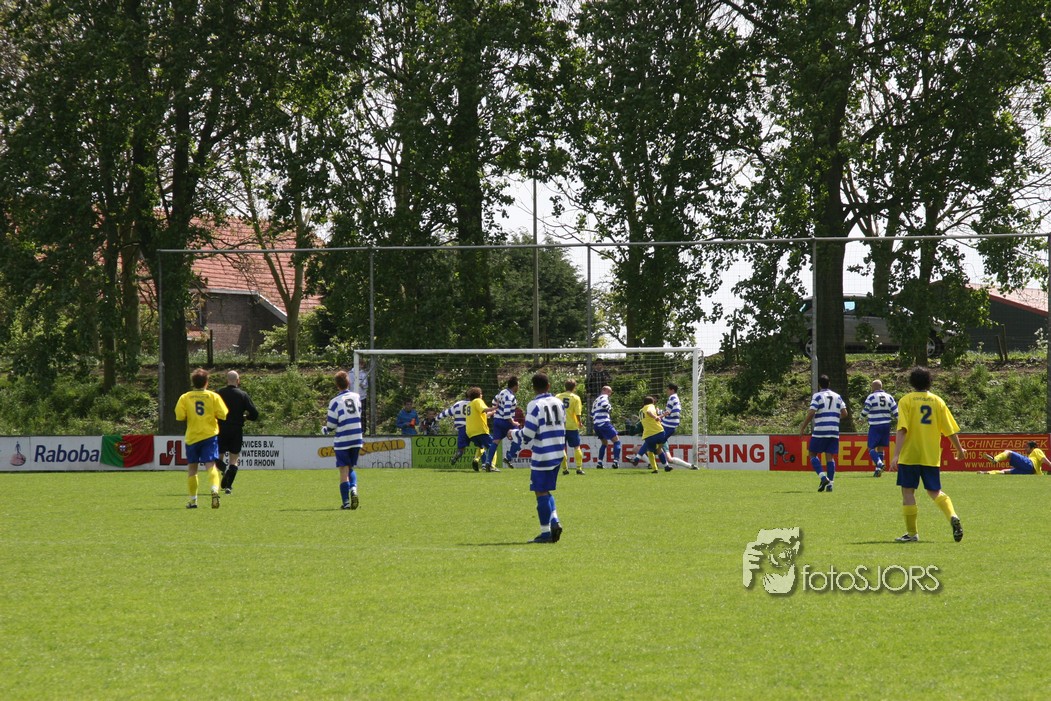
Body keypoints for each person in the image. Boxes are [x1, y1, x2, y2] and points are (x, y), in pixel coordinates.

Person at [888, 366, 966, 543]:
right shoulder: (937, 401)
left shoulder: (906, 400)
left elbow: (902, 429)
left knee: (908, 492)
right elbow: (950, 430)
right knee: (934, 491)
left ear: (911, 382)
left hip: (910, 454)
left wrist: (896, 454)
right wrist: (959, 449)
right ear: (930, 382)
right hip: (930, 455)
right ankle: (952, 515)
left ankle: (912, 533)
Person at [517, 373, 567, 543]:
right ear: (549, 386)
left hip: (543, 453)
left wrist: (514, 434)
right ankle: (555, 522)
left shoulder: (534, 405)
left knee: (540, 491)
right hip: (558, 451)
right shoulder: (559, 402)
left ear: (533, 388)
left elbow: (528, 433)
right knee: (546, 490)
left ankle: (546, 533)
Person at [174, 368, 229, 509]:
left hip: (192, 437)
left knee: (192, 469)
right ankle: (214, 490)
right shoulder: (213, 396)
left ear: (193, 382)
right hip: (209, 435)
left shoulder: (185, 397)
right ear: (206, 382)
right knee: (211, 465)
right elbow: (223, 414)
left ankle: (193, 501)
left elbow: (180, 416)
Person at [799, 374, 847, 493]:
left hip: (821, 430)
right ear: (829, 383)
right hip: (834, 430)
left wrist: (803, 427)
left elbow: (811, 412)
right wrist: (834, 418)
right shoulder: (837, 396)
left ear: (819, 385)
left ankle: (823, 477)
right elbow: (845, 413)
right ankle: (830, 484)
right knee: (829, 456)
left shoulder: (818, 396)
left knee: (812, 454)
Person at [215, 370, 259, 495]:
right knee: (234, 459)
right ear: (238, 381)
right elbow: (255, 414)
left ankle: (224, 469)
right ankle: (228, 487)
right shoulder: (242, 395)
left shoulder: (218, 393)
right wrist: (246, 417)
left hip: (221, 428)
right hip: (236, 429)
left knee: (218, 457)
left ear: (226, 380)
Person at [324, 370, 363, 510]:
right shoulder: (357, 397)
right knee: (350, 467)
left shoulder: (335, 402)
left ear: (336, 385)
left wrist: (325, 429)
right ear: (349, 382)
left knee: (343, 470)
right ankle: (354, 489)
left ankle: (346, 503)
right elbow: (358, 413)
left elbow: (331, 424)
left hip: (343, 439)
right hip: (357, 437)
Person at [860, 379, 898, 478]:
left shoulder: (871, 397)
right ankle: (878, 470)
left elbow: (866, 410)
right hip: (886, 425)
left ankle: (879, 463)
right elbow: (896, 412)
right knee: (881, 447)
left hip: (875, 425)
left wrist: (861, 418)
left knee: (870, 448)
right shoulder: (889, 397)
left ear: (873, 387)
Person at [482, 377, 519, 471]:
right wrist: (513, 422)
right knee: (519, 436)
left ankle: (488, 462)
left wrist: (497, 410)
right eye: (518, 385)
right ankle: (508, 457)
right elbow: (507, 413)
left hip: (497, 421)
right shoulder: (510, 397)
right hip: (506, 422)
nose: (518, 387)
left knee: (495, 442)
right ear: (515, 386)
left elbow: (494, 402)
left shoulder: (502, 392)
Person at [658, 383, 693, 470]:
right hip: (669, 425)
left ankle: (638, 458)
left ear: (672, 390)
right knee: (658, 448)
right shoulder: (675, 398)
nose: (666, 391)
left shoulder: (672, 398)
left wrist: (659, 415)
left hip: (668, 425)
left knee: (654, 445)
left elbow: (669, 412)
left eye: (667, 389)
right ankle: (688, 466)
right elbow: (670, 412)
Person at [631, 395, 670, 473]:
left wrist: (661, 415)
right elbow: (649, 412)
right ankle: (666, 466)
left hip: (648, 434)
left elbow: (650, 417)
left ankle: (652, 467)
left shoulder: (640, 411)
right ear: (652, 402)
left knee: (649, 449)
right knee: (658, 449)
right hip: (659, 432)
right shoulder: (651, 406)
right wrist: (656, 416)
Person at [465, 386, 497, 472]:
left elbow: (482, 415)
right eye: (481, 394)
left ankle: (476, 459)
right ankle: (491, 466)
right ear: (478, 395)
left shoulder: (469, 405)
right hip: (480, 430)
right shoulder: (478, 401)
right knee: (493, 446)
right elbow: (484, 409)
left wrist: (492, 412)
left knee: (481, 446)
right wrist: (495, 407)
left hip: (470, 432)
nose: (482, 395)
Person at [557, 379, 585, 475]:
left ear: (565, 386)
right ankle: (579, 468)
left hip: (560, 426)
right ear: (574, 387)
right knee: (577, 447)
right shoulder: (576, 398)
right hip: (572, 426)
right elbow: (577, 413)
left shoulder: (558, 396)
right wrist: (580, 422)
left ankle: (565, 469)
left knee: (562, 448)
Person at [591, 385, 621, 469]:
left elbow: (592, 414)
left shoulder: (595, 400)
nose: (610, 394)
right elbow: (605, 405)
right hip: (604, 423)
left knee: (604, 443)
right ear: (604, 390)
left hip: (596, 425)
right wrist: (610, 408)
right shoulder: (604, 397)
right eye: (609, 391)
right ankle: (615, 462)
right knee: (617, 441)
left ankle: (599, 463)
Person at [980, 441, 1049, 474]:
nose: (1025, 449)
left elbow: (1044, 459)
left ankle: (995, 459)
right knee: (1005, 471)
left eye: (1027, 447)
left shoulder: (1036, 450)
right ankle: (986, 473)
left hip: (1029, 465)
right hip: (1030, 472)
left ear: (1033, 448)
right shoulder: (1032, 456)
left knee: (1008, 452)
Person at [438, 395, 470, 464]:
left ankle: (456, 456)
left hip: (462, 428)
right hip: (473, 428)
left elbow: (448, 412)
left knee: (461, 449)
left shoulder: (458, 404)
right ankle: (482, 462)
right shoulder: (475, 403)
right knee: (480, 446)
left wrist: (437, 417)